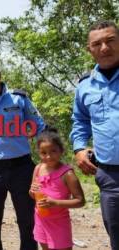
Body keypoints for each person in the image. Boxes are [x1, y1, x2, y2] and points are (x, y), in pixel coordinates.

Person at [0, 58, 45, 250]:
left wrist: (47, 163)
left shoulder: (18, 98)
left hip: (22, 167)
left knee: (27, 219)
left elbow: (39, 125)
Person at [70, 20, 119, 250]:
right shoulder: (85, 87)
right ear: (89, 49)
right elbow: (80, 120)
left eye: (110, 41)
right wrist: (79, 148)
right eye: (97, 44)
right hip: (109, 175)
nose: (105, 48)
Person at [29, 128, 85, 250]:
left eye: (53, 151)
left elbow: (80, 201)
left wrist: (55, 202)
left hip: (59, 223)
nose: (48, 156)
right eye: (43, 153)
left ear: (61, 151)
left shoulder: (67, 174)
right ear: (38, 153)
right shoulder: (38, 168)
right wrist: (32, 191)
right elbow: (33, 195)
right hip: (41, 220)